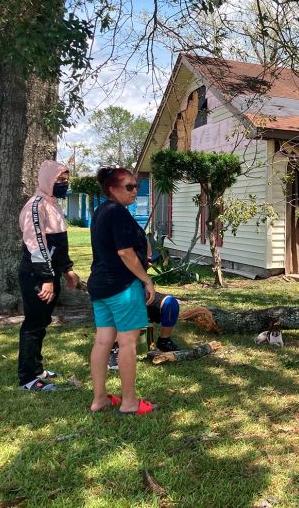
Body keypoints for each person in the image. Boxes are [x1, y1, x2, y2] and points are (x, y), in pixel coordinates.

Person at [87, 167, 157, 414]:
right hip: (122, 287)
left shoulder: (101, 211)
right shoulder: (117, 213)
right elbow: (125, 253)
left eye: (136, 186)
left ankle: (100, 399)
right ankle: (129, 402)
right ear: (112, 189)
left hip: (100, 286)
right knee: (127, 343)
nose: (135, 191)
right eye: (129, 187)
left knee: (103, 341)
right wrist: (146, 280)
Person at [17, 161, 80, 390]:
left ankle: (37, 368)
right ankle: (28, 378)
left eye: (66, 180)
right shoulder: (36, 206)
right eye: (59, 180)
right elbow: (37, 246)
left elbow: (58, 245)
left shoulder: (53, 204)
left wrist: (68, 270)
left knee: (42, 322)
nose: (64, 184)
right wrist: (46, 279)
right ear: (47, 180)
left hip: (50, 274)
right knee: (33, 325)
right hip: (36, 276)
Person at [107, 291, 182, 371]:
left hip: (140, 291)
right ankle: (115, 348)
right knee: (127, 303)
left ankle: (164, 341)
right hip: (119, 295)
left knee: (170, 303)